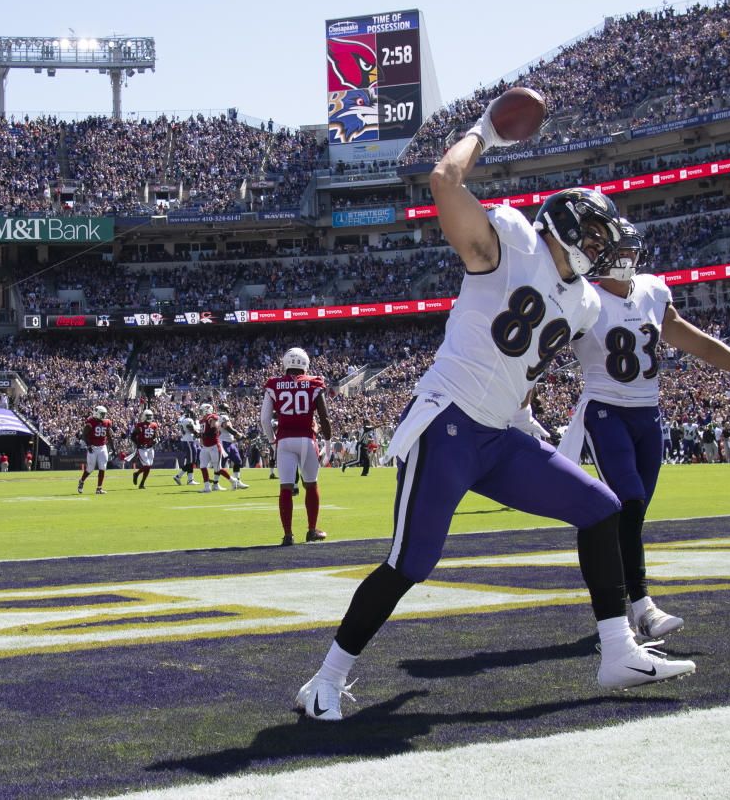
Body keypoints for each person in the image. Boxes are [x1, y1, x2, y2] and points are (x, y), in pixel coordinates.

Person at [297, 106, 693, 723]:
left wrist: (529, 419)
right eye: (592, 235)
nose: (601, 247)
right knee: (411, 563)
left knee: (603, 510)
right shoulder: (511, 239)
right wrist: (486, 127)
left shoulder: (588, 302)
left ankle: (617, 648)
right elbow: (444, 184)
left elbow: (527, 367)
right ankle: (326, 678)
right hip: (448, 422)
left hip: (500, 432)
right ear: (562, 226)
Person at [561, 217, 730, 642]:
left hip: (649, 417)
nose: (630, 257)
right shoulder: (582, 298)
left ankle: (618, 609)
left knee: (630, 519)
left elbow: (693, 339)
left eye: (633, 249)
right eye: (623, 249)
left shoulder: (652, 290)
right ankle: (643, 607)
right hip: (605, 411)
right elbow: (540, 347)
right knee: (628, 503)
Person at [262, 347, 331, 545]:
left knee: (285, 488)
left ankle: (288, 535)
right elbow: (324, 417)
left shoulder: (274, 384)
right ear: (305, 365)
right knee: (311, 484)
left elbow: (265, 420)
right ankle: (311, 530)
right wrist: (327, 442)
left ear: (285, 364)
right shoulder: (313, 382)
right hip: (307, 439)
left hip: (284, 440)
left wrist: (272, 440)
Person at [196, 402, 246, 492]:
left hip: (214, 446)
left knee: (218, 468)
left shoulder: (212, 417)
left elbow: (214, 429)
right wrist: (201, 439)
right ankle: (207, 487)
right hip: (206, 446)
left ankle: (233, 480)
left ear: (207, 410)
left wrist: (204, 435)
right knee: (203, 466)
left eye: (202, 411)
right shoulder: (202, 420)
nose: (200, 412)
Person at [78, 405, 118, 495]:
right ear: (97, 413)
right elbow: (84, 435)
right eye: (102, 414)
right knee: (90, 468)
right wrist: (88, 446)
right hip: (92, 447)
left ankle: (99, 488)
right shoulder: (90, 422)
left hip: (102, 447)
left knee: (103, 467)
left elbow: (109, 436)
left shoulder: (107, 422)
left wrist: (113, 449)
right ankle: (81, 481)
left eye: (104, 414)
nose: (104, 416)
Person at [217, 405, 248, 486]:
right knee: (220, 465)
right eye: (228, 409)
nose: (229, 410)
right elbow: (227, 427)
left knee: (238, 461)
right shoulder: (222, 416)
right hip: (223, 443)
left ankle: (237, 481)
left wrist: (236, 439)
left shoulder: (222, 417)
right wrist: (240, 435)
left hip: (230, 443)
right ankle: (215, 483)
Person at [129, 408, 159, 488]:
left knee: (149, 466)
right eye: (148, 416)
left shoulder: (154, 425)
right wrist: (138, 444)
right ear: (144, 416)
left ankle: (141, 482)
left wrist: (155, 440)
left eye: (150, 416)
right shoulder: (139, 425)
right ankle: (137, 474)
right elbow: (132, 437)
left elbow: (155, 436)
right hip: (142, 448)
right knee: (147, 464)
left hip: (150, 448)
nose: (149, 418)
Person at [173, 408, 200, 486]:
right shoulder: (188, 420)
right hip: (189, 441)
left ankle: (189, 480)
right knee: (191, 461)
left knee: (191, 461)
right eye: (193, 413)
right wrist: (197, 431)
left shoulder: (183, 420)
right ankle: (179, 476)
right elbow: (193, 430)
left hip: (187, 440)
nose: (194, 415)